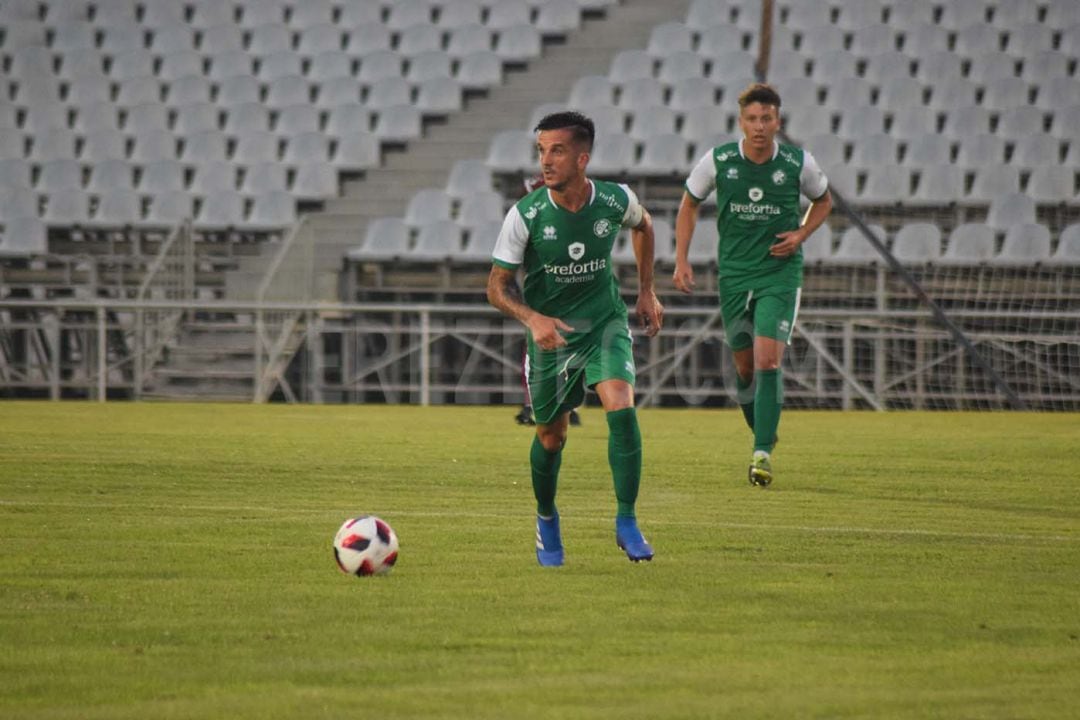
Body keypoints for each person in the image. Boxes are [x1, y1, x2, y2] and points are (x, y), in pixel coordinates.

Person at [487, 111, 664, 566]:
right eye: (541, 151)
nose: (546, 161)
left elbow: (644, 226)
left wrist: (646, 291)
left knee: (621, 407)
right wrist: (532, 318)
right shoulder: (525, 214)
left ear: (582, 158)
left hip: (604, 323)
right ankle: (546, 518)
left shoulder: (613, 200)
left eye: (557, 151)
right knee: (551, 437)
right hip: (553, 338)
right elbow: (496, 286)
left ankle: (626, 520)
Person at [673, 83, 832, 488]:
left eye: (767, 119)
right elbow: (689, 203)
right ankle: (763, 430)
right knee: (743, 369)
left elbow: (824, 201)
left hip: (779, 274)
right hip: (734, 274)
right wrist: (681, 259)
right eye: (752, 119)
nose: (759, 126)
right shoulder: (719, 160)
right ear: (740, 122)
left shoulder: (799, 163)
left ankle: (761, 454)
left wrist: (800, 235)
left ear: (778, 122)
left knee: (767, 361)